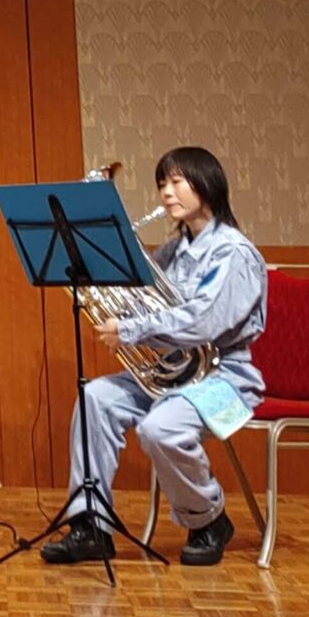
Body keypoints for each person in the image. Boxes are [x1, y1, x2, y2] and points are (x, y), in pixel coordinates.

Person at [40, 145, 266, 568]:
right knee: (96, 400)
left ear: (207, 184)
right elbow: (139, 289)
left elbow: (203, 320)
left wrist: (129, 330)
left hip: (226, 380)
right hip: (174, 374)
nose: (166, 192)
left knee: (159, 429)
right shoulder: (176, 249)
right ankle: (90, 524)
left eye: (177, 181)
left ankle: (209, 519)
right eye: (162, 183)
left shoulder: (234, 253)